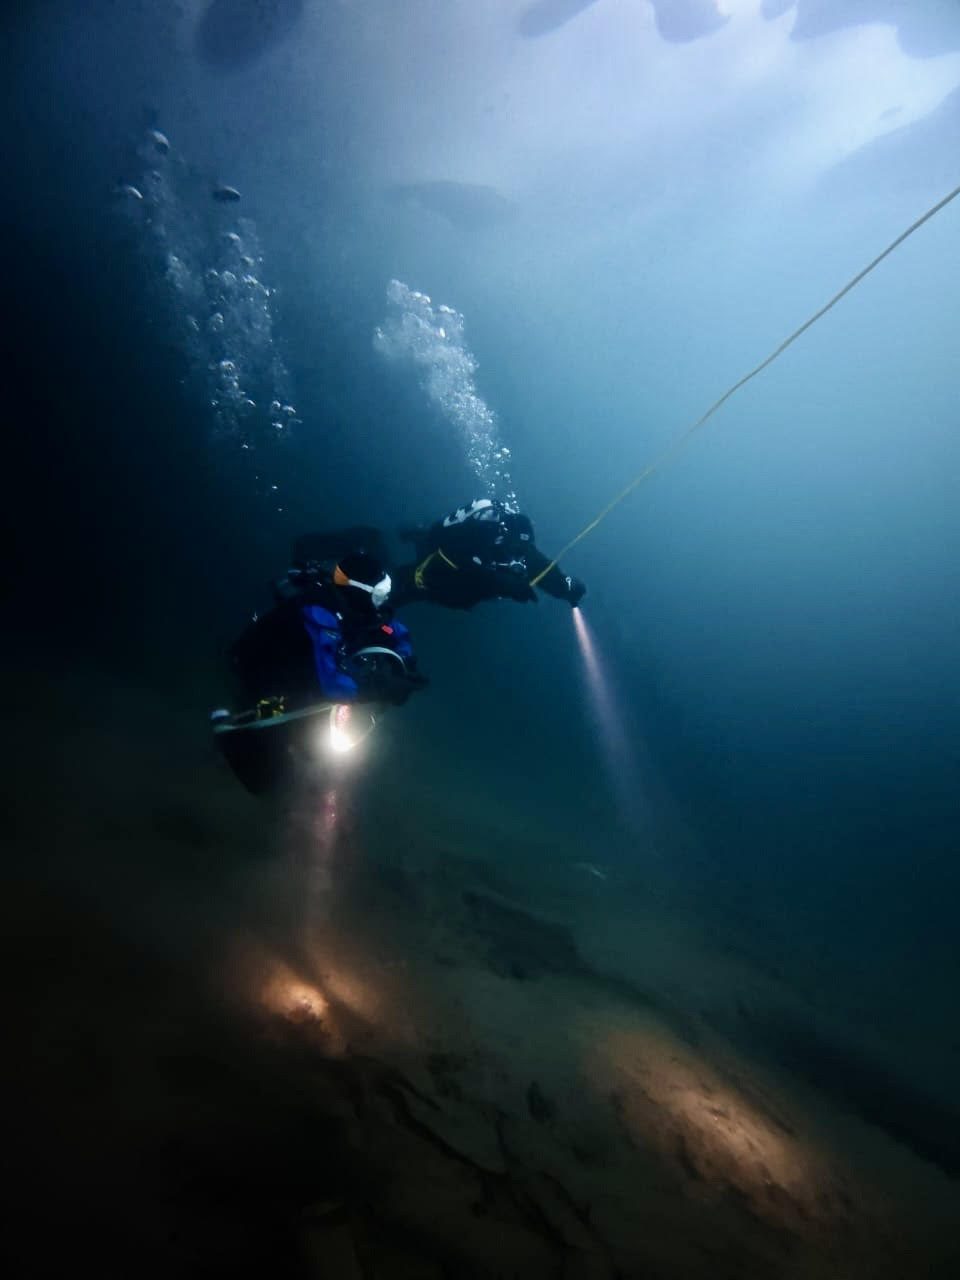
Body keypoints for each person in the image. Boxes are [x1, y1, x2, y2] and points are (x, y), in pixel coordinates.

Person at [213, 549, 426, 792]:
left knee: (311, 743)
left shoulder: (360, 608)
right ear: (362, 590)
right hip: (266, 675)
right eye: (380, 593)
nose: (383, 600)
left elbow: (394, 631)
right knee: (270, 777)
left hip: (304, 674)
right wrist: (382, 689)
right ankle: (239, 740)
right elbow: (331, 684)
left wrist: (407, 663)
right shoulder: (320, 611)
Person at [391, 498, 586, 611]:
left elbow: (537, 562)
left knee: (467, 593)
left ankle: (419, 536)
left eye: (522, 549)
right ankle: (418, 534)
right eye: (516, 549)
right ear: (503, 534)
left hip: (467, 574)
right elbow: (457, 559)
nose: (518, 556)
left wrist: (564, 587)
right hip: (438, 561)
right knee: (418, 584)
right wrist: (503, 583)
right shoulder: (482, 531)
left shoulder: (516, 539)